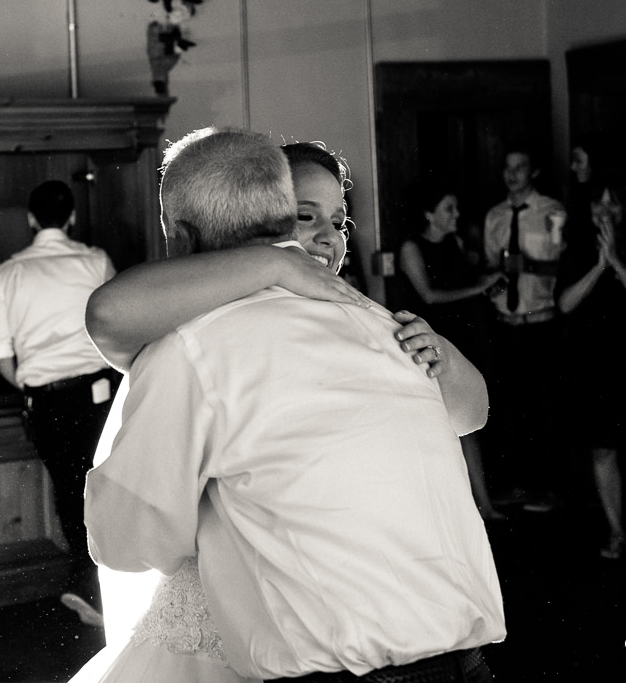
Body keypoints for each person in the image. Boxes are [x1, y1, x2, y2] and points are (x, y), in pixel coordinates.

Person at [84, 128, 504, 682]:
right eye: (308, 216)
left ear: (178, 238)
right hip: (462, 659)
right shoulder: (372, 325)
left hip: (340, 663)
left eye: (339, 220)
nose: (329, 236)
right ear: (282, 219)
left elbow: (127, 542)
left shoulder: (193, 348)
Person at [0, 180, 117, 625]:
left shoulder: (9, 272)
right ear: (73, 217)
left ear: (30, 219)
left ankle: (93, 584)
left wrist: (30, 382)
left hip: (47, 403)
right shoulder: (95, 262)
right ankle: (101, 586)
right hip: (99, 395)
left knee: (69, 490)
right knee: (100, 488)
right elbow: (120, 327)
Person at [556, 177, 626, 559]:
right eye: (598, 204)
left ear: (625, 208)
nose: (605, 211)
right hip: (593, 363)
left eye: (613, 204)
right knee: (603, 451)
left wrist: (617, 261)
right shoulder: (575, 251)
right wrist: (599, 265)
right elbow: (566, 304)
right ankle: (616, 532)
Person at [398, 183, 506, 521]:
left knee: (467, 424)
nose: (456, 215)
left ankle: (484, 505)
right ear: (429, 213)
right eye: (449, 208)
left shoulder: (455, 243)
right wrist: (480, 286)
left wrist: (489, 285)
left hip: (462, 337)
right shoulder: (411, 248)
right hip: (430, 340)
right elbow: (428, 296)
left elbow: (469, 282)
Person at [482, 150, 567, 510]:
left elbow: (561, 268)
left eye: (519, 166)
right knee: (511, 408)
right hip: (507, 324)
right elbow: (492, 271)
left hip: (541, 323)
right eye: (507, 166)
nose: (512, 173)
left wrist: (527, 265)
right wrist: (497, 287)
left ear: (534, 169)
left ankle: (551, 488)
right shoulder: (495, 216)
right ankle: (519, 485)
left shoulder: (551, 211)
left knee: (545, 407)